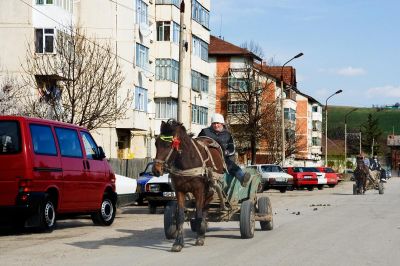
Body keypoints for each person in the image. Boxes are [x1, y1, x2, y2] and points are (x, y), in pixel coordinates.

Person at [198, 113, 251, 187]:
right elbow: (198, 143)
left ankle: (242, 177)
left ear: (222, 123)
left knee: (231, 165)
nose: (216, 125)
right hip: (206, 158)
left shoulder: (227, 134)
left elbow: (232, 149)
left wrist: (226, 152)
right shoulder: (205, 132)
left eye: (218, 123)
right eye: (214, 123)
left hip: (222, 158)